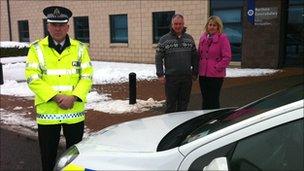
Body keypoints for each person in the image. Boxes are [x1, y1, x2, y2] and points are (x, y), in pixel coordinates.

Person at [25, 6, 93, 171]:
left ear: (68, 27)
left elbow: (87, 77)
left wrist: (74, 97)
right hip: (49, 114)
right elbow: (33, 78)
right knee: (48, 156)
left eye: (61, 25)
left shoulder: (80, 48)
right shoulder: (36, 49)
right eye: (53, 24)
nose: (57, 28)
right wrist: (56, 97)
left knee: (75, 156)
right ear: (48, 26)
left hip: (74, 111)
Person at [155, 14, 198, 113]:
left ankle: (182, 125)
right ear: (172, 24)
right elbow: (158, 58)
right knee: (171, 104)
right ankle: (170, 126)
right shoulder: (164, 40)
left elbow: (195, 57)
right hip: (171, 78)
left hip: (187, 77)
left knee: (184, 103)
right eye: (175, 24)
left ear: (183, 24)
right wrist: (160, 74)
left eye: (180, 24)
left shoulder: (189, 39)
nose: (178, 26)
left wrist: (195, 72)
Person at [198, 16, 231, 109]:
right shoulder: (203, 38)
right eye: (210, 25)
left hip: (215, 76)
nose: (211, 27)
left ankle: (215, 120)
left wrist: (217, 68)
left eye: (214, 25)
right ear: (207, 26)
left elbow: (227, 57)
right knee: (205, 99)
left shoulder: (223, 38)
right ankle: (205, 119)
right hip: (203, 75)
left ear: (218, 27)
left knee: (213, 100)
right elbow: (199, 54)